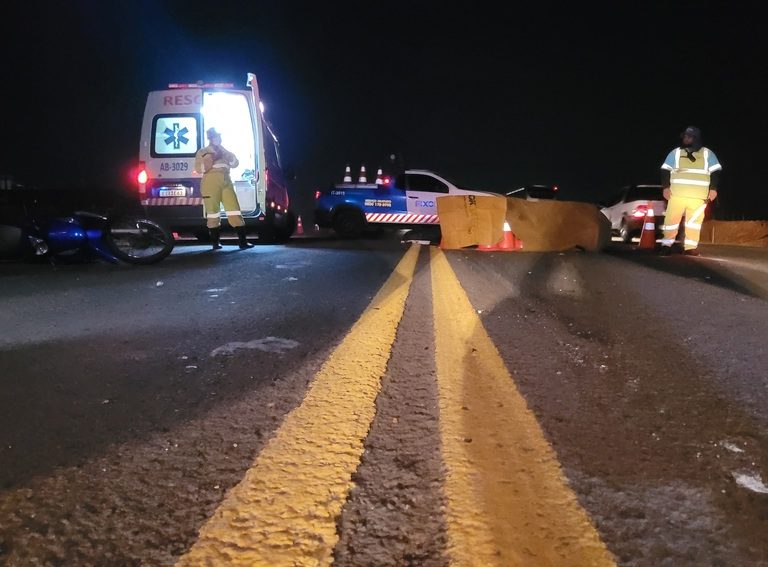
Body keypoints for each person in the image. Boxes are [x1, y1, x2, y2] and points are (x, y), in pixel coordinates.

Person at [658, 126, 722, 256]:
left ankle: (690, 247)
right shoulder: (676, 153)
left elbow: (715, 171)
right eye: (685, 136)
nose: (685, 139)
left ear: (696, 138)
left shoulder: (707, 154)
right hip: (676, 195)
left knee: (694, 224)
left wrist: (713, 189)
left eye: (688, 137)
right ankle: (666, 245)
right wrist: (665, 187)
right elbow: (665, 169)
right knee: (671, 221)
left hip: (698, 198)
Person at [194, 127, 253, 250]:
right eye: (216, 137)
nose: (218, 139)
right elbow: (200, 169)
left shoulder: (224, 150)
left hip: (226, 180)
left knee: (234, 209)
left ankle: (243, 242)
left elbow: (235, 163)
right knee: (213, 212)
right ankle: (215, 243)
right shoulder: (203, 152)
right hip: (210, 182)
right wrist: (211, 159)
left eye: (219, 136)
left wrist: (227, 156)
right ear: (210, 139)